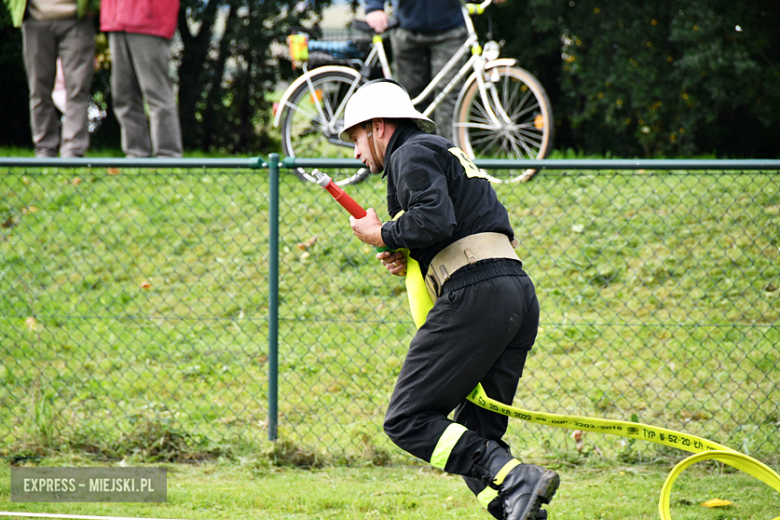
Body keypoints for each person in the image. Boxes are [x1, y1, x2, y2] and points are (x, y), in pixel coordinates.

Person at [343, 79, 559, 520]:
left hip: (476, 296)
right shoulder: (437, 151)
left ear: (379, 127)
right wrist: (411, 255)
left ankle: (517, 480)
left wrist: (382, 233)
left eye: (356, 138)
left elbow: (434, 218)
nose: (356, 155)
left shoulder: (410, 152)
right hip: (513, 293)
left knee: (407, 419)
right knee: (477, 432)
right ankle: (518, 508)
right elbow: (452, 224)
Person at [364, 0, 504, 143]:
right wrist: (373, 7)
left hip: (450, 29)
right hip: (406, 28)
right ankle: (412, 157)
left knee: (449, 100)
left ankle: (449, 158)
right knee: (409, 102)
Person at [5, 0, 97, 157]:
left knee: (78, 88)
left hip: (78, 19)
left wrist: (94, 7)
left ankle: (73, 151)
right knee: (38, 89)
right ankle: (44, 149)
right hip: (35, 20)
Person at [100, 0, 183, 158]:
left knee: (157, 93)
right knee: (124, 94)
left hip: (149, 19)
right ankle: (136, 153)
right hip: (116, 20)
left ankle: (168, 154)